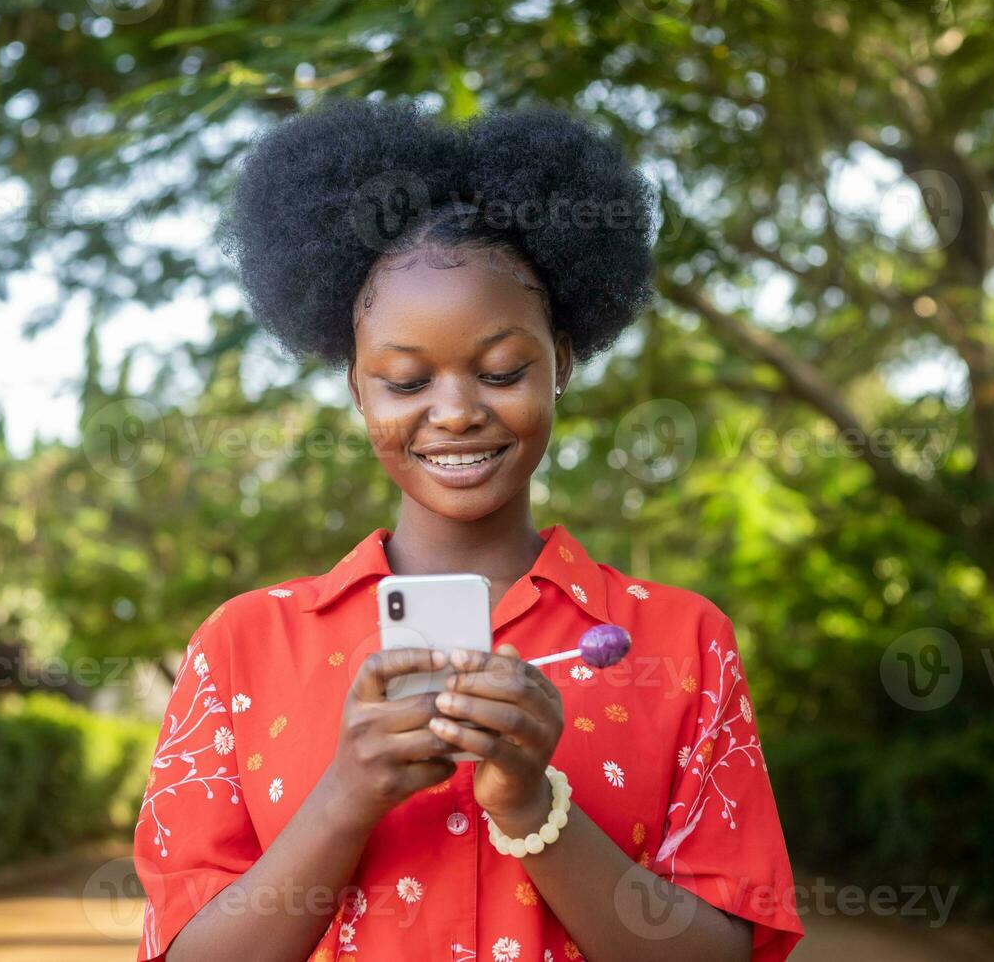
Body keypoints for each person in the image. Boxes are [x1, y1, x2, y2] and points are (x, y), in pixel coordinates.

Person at [132, 98, 804, 962]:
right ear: (357, 389)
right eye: (406, 382)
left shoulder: (680, 641)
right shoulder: (242, 646)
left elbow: (723, 955)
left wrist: (533, 808)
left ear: (560, 362)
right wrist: (347, 794)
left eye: (499, 370)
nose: (454, 413)